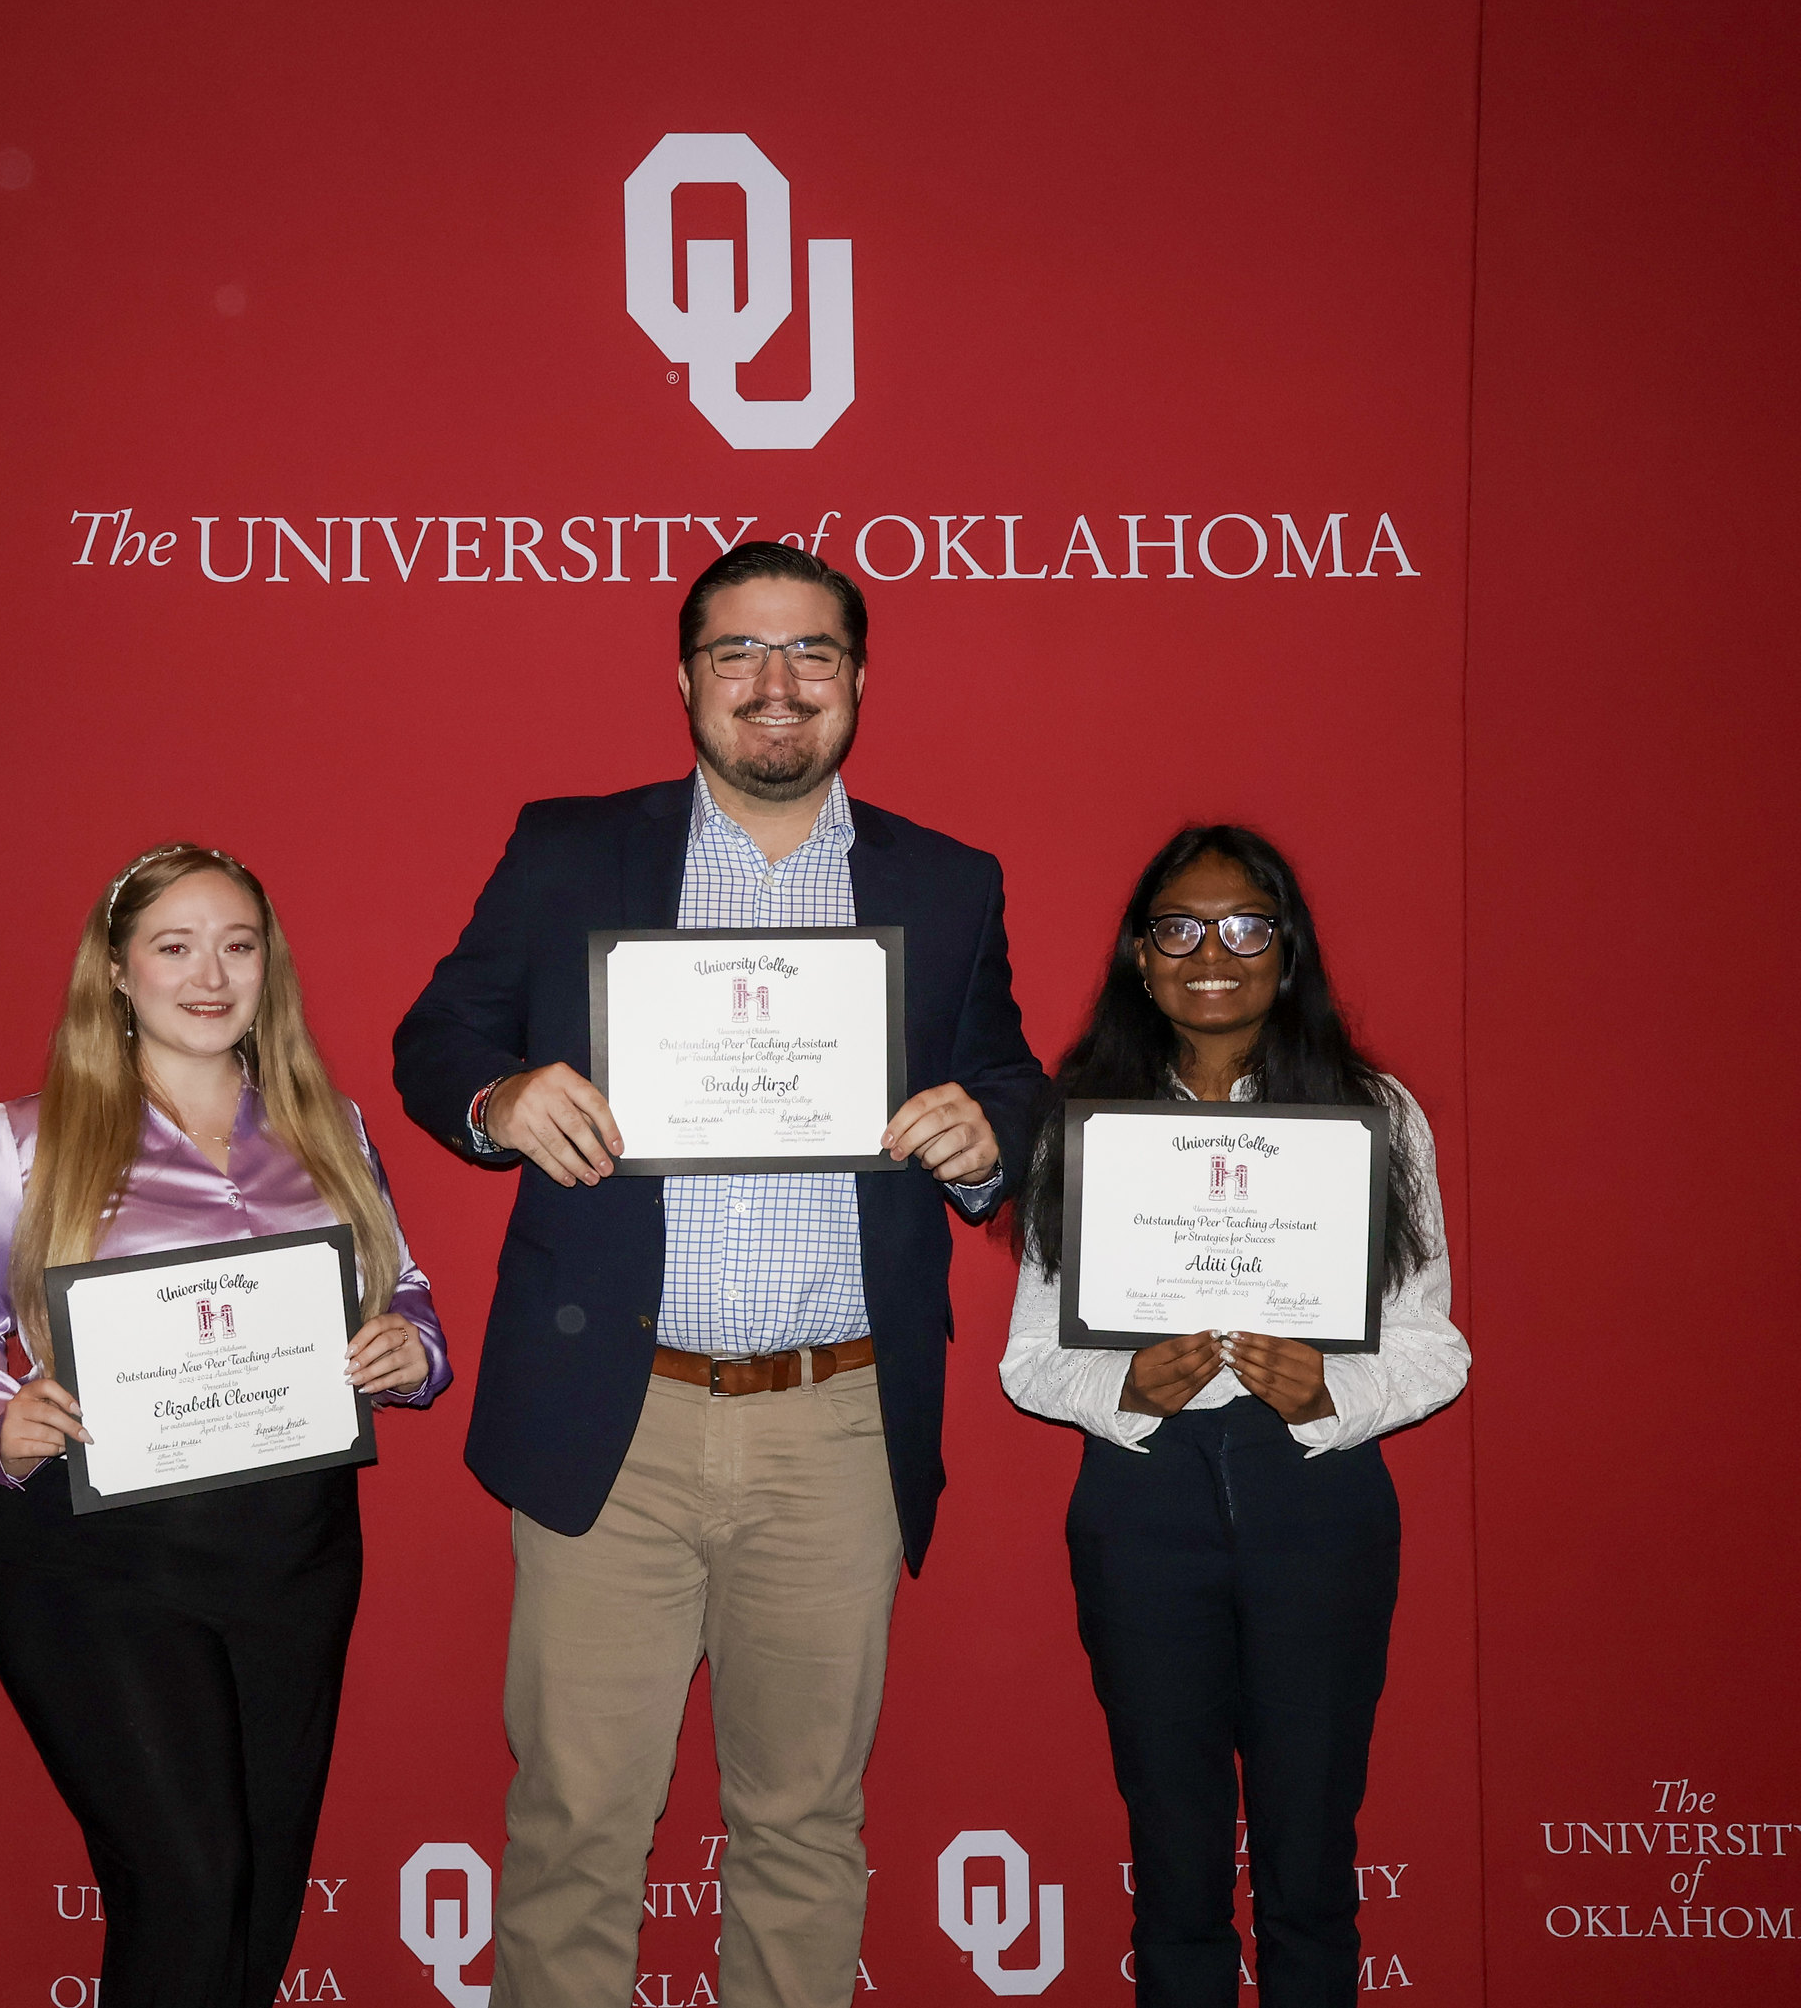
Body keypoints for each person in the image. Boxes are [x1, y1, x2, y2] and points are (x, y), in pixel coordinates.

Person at [393, 541, 1045, 2008]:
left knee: (806, 1826)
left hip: (835, 1422)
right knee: (573, 1828)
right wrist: (497, 1101)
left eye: (811, 653)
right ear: (686, 678)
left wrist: (988, 1129)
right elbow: (438, 1036)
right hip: (611, 1422)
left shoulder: (947, 884)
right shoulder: (571, 850)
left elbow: (1012, 1076)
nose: (775, 685)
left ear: (858, 681)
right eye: (739, 652)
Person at [0, 843, 449, 2008]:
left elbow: (403, 1289)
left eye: (237, 946)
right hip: (98, 1563)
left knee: (255, 1906)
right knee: (189, 1883)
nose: (210, 974)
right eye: (174, 945)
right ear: (115, 968)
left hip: (290, 1554)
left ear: (268, 969)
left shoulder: (329, 1127)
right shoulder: (29, 1139)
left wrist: (411, 1350)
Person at [1001, 824, 1469, 2008]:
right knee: (1173, 1858)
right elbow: (1027, 1356)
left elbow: (1433, 1342)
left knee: (1310, 1854)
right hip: (1140, 1500)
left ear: (1285, 949)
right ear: (1141, 960)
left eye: (1244, 925)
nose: (1213, 950)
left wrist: (1328, 1393)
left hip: (1315, 1495)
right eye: (1179, 928)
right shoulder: (1082, 1118)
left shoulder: (1373, 1113)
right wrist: (1119, 1387)